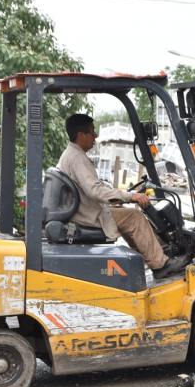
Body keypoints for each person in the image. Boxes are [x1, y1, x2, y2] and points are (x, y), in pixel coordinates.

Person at [57, 113, 187, 278]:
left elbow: (91, 187)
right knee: (134, 217)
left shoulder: (72, 154)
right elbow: (94, 190)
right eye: (91, 132)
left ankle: (148, 257)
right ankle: (160, 264)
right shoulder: (77, 158)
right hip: (87, 215)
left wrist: (120, 196)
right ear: (81, 135)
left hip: (82, 209)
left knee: (125, 213)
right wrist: (130, 196)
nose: (95, 136)